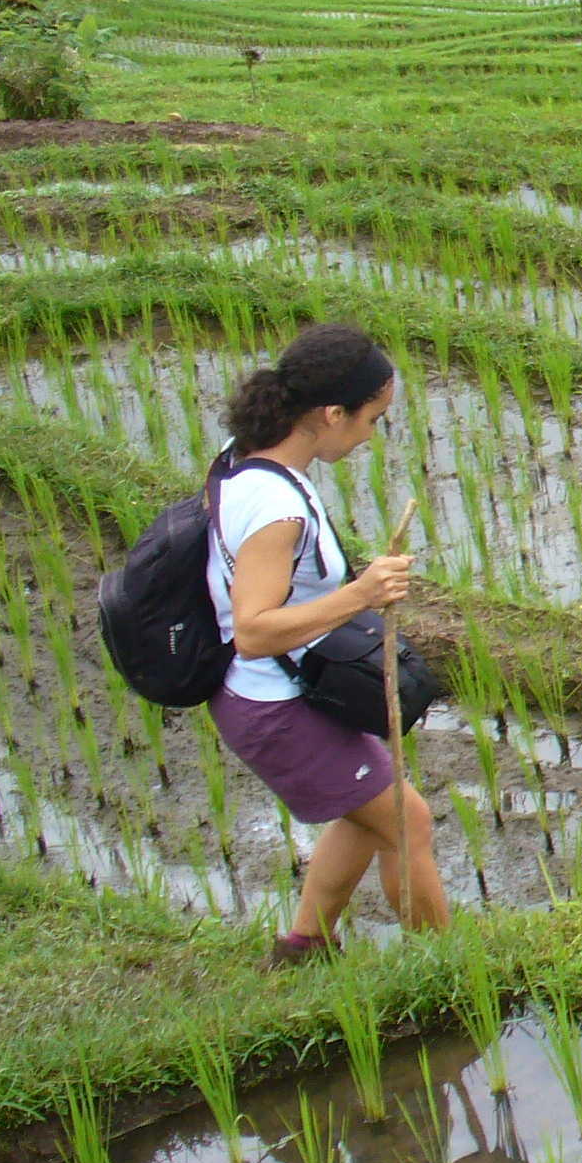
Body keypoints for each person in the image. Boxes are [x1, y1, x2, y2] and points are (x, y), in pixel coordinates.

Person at [205, 323, 444, 966]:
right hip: (273, 703)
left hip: (294, 689)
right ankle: (448, 969)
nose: (370, 435)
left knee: (367, 810)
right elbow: (252, 630)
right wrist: (362, 594)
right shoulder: (276, 509)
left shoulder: (245, 456)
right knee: (404, 821)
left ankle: (305, 946)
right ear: (332, 413)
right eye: (371, 419)